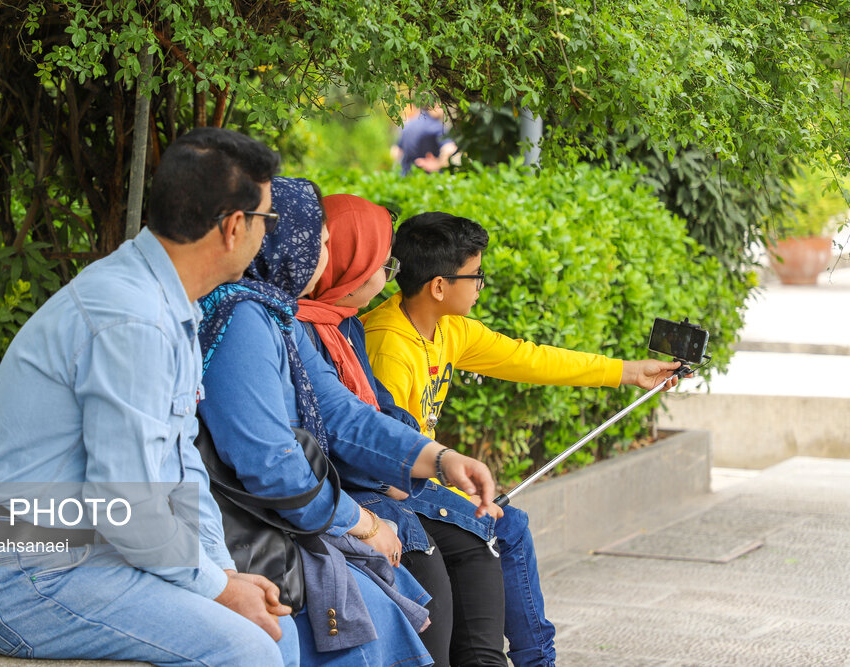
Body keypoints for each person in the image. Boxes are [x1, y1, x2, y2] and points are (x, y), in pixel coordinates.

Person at [0, 128, 300, 666]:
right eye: (267, 222)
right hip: (32, 575)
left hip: (97, 556)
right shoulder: (132, 318)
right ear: (234, 227)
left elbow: (182, 468)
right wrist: (215, 588)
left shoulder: (167, 302)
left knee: (278, 629)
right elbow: (128, 503)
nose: (265, 235)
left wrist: (220, 573)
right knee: (246, 651)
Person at [196, 177, 499, 666]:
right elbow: (273, 468)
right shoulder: (244, 320)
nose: (325, 253)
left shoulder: (273, 316)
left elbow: (340, 411)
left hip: (292, 515)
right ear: (284, 240)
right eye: (320, 240)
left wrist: (437, 457)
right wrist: (363, 521)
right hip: (258, 530)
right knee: (388, 615)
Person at [361, 211, 685, 666]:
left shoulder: (449, 328)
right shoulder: (389, 345)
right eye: (476, 275)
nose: (480, 285)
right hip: (391, 490)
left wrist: (629, 373)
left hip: (423, 478)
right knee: (507, 526)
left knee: (508, 524)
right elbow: (386, 457)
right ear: (438, 285)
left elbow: (529, 359)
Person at [296, 194, 540, 666]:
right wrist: (416, 473)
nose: (389, 273)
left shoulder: (341, 326)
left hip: (390, 479)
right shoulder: (317, 330)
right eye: (380, 261)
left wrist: (629, 372)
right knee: (449, 561)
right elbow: (338, 431)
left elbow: (380, 412)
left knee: (487, 538)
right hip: (361, 491)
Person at [391, 104, 458, 176]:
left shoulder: (408, 125)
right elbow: (450, 149)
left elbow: (395, 152)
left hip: (407, 178)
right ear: (435, 105)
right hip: (428, 179)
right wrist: (438, 164)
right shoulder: (436, 126)